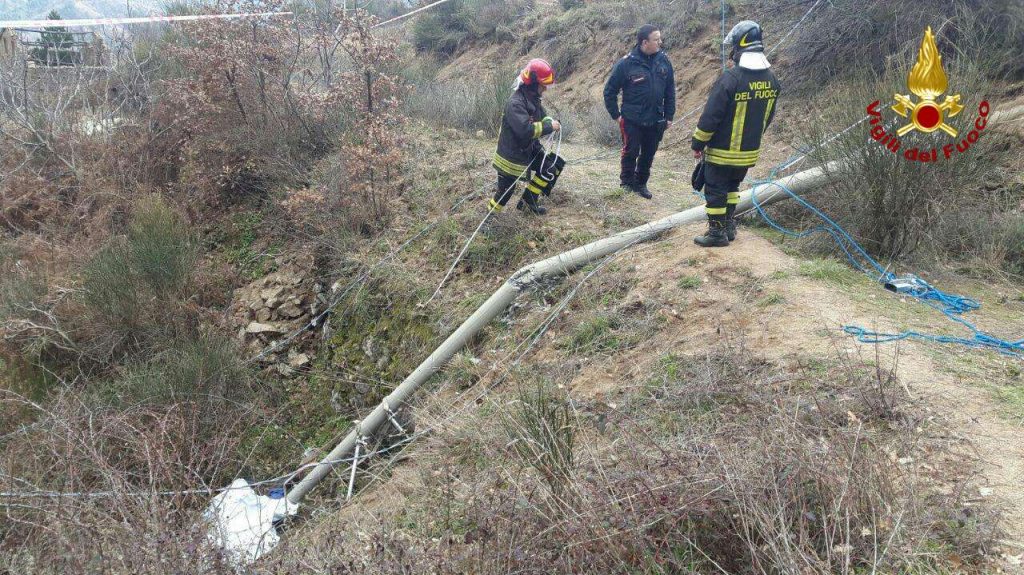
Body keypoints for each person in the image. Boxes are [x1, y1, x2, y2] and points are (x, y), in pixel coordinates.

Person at [691, 20, 780, 247]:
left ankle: (716, 234)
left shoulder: (731, 78)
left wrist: (698, 142)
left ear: (740, 46)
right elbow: (766, 118)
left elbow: (712, 115)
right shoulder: (771, 80)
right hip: (748, 153)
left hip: (722, 152)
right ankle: (729, 226)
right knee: (732, 188)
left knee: (715, 191)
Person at [603, 25, 676, 200]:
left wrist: (669, 116)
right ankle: (627, 184)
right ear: (645, 42)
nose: (660, 42)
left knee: (649, 153)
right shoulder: (626, 63)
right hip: (632, 119)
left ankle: (641, 183)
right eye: (656, 39)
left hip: (656, 119)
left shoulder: (664, 60)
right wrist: (616, 115)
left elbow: (670, 91)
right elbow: (609, 91)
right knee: (631, 151)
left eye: (660, 38)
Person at [490, 58, 562, 216]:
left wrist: (550, 122)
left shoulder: (533, 99)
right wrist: (549, 127)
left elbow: (543, 117)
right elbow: (525, 130)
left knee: (549, 167)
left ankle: (528, 202)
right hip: (511, 157)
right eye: (544, 85)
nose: (545, 88)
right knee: (505, 192)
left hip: (528, 150)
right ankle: (489, 219)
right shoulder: (515, 103)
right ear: (534, 83)